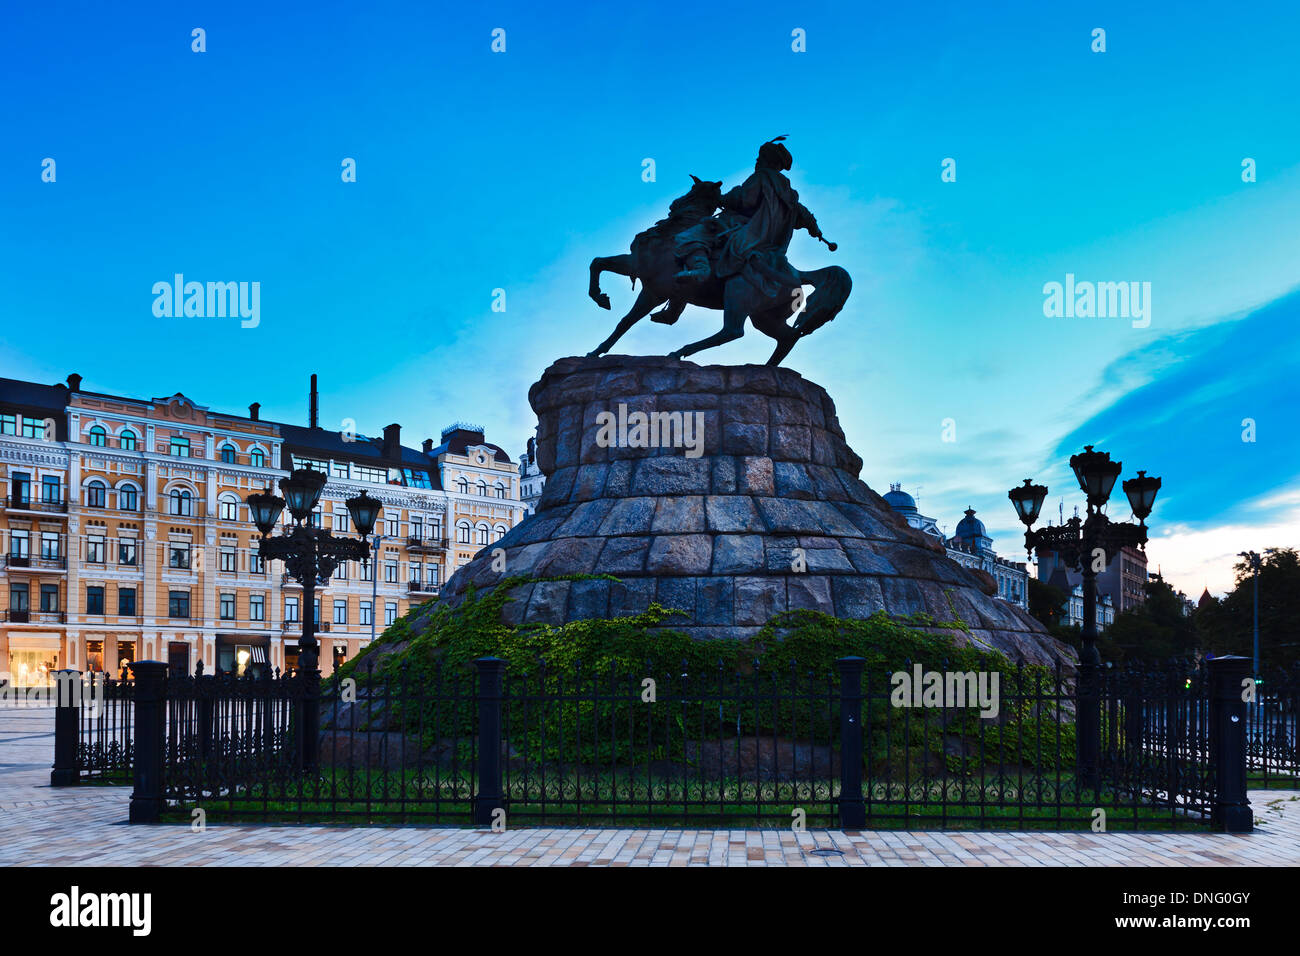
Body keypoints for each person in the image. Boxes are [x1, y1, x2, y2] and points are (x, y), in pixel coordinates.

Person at [674, 137, 823, 298]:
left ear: (767, 161)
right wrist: (816, 230)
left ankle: (701, 269)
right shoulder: (791, 194)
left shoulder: (760, 177)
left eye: (760, 158)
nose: (756, 161)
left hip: (747, 231)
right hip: (772, 245)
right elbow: (804, 216)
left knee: (690, 234)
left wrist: (721, 198)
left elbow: (745, 200)